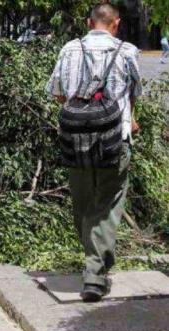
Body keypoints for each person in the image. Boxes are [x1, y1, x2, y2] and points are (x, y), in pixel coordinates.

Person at [46, 3, 142, 302]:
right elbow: (133, 93)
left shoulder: (69, 49)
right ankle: (95, 274)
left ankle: (94, 265)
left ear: (89, 23)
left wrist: (83, 111)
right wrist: (129, 119)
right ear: (116, 24)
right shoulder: (127, 51)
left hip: (76, 142)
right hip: (115, 141)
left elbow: (58, 92)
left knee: (83, 204)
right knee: (108, 204)